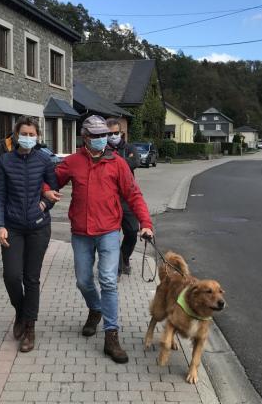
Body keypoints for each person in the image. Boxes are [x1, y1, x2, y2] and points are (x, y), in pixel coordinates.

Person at [45, 115, 153, 363]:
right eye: (96, 136)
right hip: (81, 233)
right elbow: (51, 181)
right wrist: (46, 191)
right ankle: (95, 309)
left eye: (104, 135)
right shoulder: (73, 162)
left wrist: (145, 223)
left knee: (108, 280)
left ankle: (111, 335)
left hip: (108, 232)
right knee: (83, 281)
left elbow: (134, 195)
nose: (101, 140)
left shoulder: (117, 163)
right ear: (85, 138)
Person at [0, 116, 57, 353]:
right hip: (13, 226)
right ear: (16, 135)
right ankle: (20, 311)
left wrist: (44, 204)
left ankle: (29, 327)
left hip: (39, 227)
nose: (28, 138)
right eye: (24, 134)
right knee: (11, 275)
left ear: (38, 136)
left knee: (31, 278)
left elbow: (53, 189)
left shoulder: (44, 160)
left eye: (32, 134)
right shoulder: (4, 161)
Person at [105, 119, 140, 277]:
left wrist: (115, 162)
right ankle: (117, 269)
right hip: (109, 198)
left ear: (121, 133)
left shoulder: (129, 148)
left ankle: (124, 257)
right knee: (112, 235)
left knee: (132, 231)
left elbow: (135, 161)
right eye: (109, 133)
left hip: (127, 197)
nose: (113, 136)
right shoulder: (102, 149)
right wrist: (124, 162)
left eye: (115, 133)